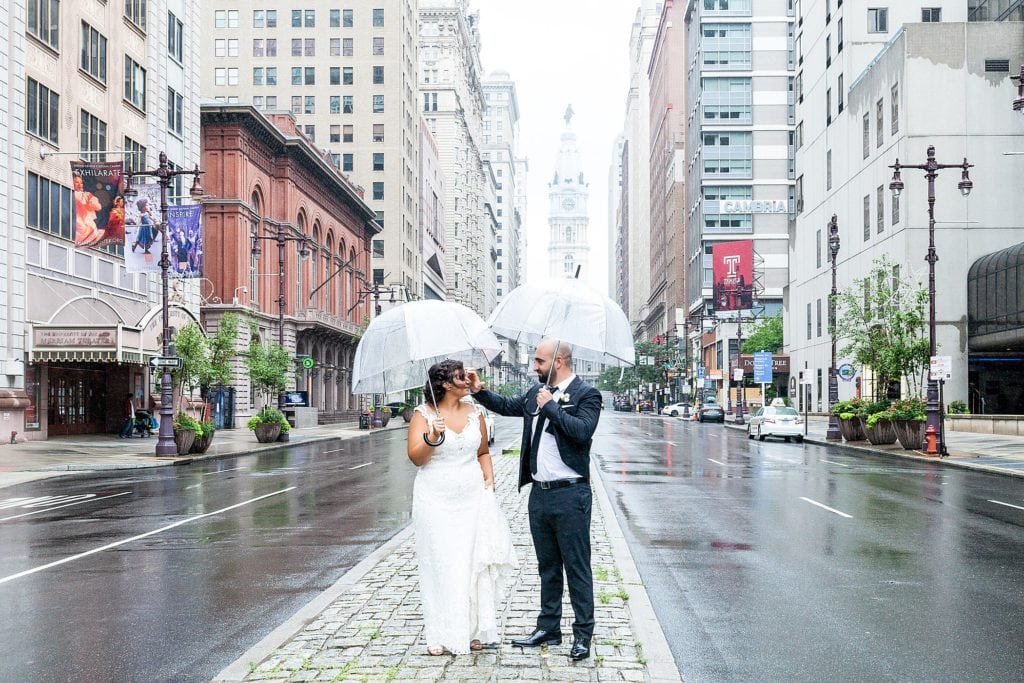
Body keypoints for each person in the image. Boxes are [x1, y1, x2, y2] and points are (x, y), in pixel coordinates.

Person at [467, 339, 602, 661]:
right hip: (540, 495)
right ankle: (548, 627)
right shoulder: (534, 393)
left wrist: (552, 407)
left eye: (539, 361)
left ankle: (583, 635)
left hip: (571, 493)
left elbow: (582, 431)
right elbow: (507, 406)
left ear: (558, 361)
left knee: (577, 567)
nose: (533, 367)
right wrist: (479, 390)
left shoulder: (587, 394)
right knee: (548, 566)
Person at [406, 359, 517, 656]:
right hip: (434, 499)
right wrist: (432, 437)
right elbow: (416, 458)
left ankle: (472, 630)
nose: (467, 380)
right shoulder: (423, 415)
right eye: (460, 377)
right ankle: (440, 632)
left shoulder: (475, 413)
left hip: (471, 497)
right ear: (444, 384)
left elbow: (482, 452)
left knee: (471, 562)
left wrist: (489, 477)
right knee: (441, 564)